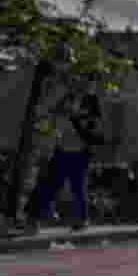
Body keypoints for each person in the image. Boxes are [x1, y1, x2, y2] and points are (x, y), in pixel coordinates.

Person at [27, 91, 110, 233]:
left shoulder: (91, 112)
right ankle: (34, 219)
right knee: (48, 186)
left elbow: (92, 135)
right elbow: (55, 112)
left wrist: (75, 120)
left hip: (79, 155)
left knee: (78, 189)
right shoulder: (67, 105)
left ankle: (82, 220)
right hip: (61, 152)